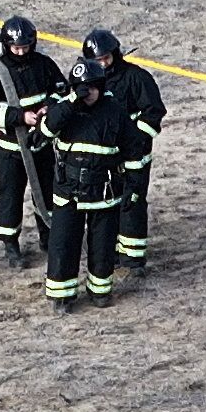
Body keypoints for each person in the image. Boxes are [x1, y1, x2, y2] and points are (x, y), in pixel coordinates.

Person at [43, 57, 140, 313]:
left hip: (103, 192)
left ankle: (100, 292)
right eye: (82, 89)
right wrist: (72, 102)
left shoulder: (114, 112)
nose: (88, 94)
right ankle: (62, 296)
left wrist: (133, 189)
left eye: (92, 88)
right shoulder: (64, 109)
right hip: (68, 193)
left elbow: (134, 152)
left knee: (103, 245)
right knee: (63, 244)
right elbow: (45, 130)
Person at [0, 14, 65, 267]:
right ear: (6, 44)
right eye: (16, 48)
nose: (21, 52)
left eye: (26, 47)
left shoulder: (44, 64)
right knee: (10, 196)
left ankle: (48, 236)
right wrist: (19, 117)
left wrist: (48, 109)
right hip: (11, 149)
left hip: (41, 144)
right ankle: (10, 245)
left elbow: (61, 91)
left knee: (47, 193)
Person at [82, 28, 168, 276]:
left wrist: (133, 143)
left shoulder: (136, 78)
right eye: (97, 61)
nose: (103, 64)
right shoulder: (89, 83)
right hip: (104, 157)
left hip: (134, 157)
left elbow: (153, 114)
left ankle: (134, 260)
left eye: (106, 58)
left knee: (132, 204)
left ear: (115, 54)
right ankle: (111, 253)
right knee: (107, 204)